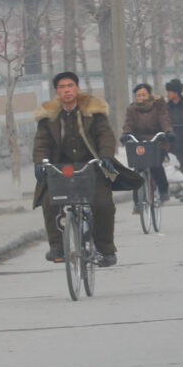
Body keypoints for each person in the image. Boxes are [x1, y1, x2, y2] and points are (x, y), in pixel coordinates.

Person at [33, 71, 128, 267]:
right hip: (61, 170)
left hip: (92, 168)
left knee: (103, 205)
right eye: (61, 87)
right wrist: (41, 161)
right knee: (49, 202)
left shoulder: (93, 112)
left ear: (76, 88)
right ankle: (58, 247)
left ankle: (106, 249)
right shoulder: (48, 116)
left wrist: (106, 157)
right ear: (57, 91)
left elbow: (105, 136)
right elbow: (41, 142)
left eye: (70, 85)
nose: (66, 90)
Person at [122, 82, 172, 208]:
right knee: (137, 170)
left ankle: (163, 189)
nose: (141, 98)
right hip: (140, 143)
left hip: (157, 141)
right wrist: (126, 133)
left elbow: (164, 119)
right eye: (138, 95)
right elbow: (128, 123)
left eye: (143, 95)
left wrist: (168, 131)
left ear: (149, 95)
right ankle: (137, 202)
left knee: (156, 165)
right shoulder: (131, 109)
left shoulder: (158, 106)